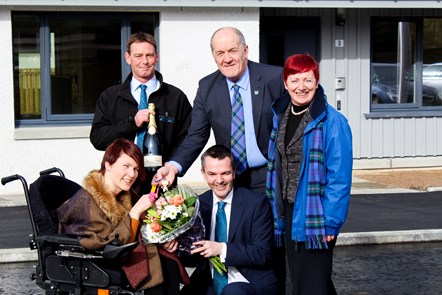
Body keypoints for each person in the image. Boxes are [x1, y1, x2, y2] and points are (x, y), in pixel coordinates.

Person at [154, 27, 285, 195]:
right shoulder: (207, 87)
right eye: (220, 53)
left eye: (232, 51)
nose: (227, 59)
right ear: (214, 56)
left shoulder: (274, 78)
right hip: (230, 178)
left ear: (245, 51)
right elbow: (196, 135)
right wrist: (173, 166)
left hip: (270, 174)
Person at [266, 54, 353, 294]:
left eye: (307, 80)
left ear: (317, 81)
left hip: (316, 216)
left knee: (311, 284)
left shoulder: (333, 122)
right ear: (285, 83)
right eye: (294, 80)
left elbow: (340, 179)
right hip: (289, 210)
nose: (301, 87)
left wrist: (331, 223)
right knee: (308, 281)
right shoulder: (280, 115)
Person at [56, 139, 189, 294]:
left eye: (136, 169)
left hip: (125, 250)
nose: (132, 174)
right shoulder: (86, 201)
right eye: (126, 166)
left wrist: (165, 237)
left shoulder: (125, 193)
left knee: (169, 263)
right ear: (108, 165)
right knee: (156, 271)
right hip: (99, 259)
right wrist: (135, 212)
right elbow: (108, 244)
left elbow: (147, 224)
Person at [90, 32, 192, 194]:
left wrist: (172, 165)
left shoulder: (175, 97)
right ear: (128, 57)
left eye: (149, 55)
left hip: (161, 182)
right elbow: (98, 138)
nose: (144, 61)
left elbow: (189, 138)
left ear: (156, 57)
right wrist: (132, 123)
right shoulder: (110, 96)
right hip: (120, 185)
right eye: (138, 56)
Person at [180, 145, 278, 295]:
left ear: (233, 172)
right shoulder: (197, 205)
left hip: (247, 280)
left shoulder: (256, 203)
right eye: (212, 174)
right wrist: (177, 246)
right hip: (209, 281)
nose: (219, 180)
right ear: (203, 174)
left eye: (225, 173)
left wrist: (221, 249)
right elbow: (191, 259)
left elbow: (262, 254)